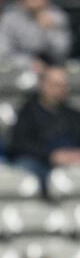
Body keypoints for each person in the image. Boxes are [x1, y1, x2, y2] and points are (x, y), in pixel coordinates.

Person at [8, 64, 80, 193]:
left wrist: (74, 155)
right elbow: (19, 144)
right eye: (55, 84)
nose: (59, 89)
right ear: (43, 84)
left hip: (72, 164)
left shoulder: (73, 114)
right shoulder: (27, 112)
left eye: (63, 85)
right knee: (25, 167)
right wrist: (51, 156)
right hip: (40, 163)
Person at [0, 0, 71, 65]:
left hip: (50, 64)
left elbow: (62, 52)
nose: (37, 4)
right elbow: (4, 51)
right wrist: (28, 62)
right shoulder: (9, 18)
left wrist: (50, 30)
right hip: (18, 65)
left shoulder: (58, 17)